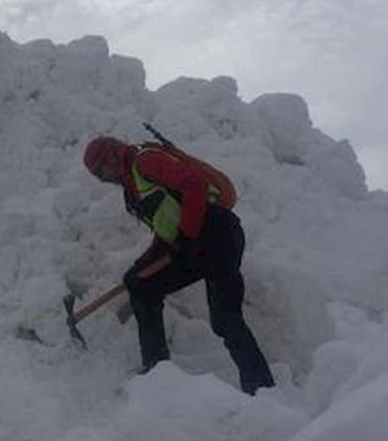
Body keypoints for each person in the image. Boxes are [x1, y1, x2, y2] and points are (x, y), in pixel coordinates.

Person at [82, 135, 275, 395]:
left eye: (99, 172)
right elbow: (166, 227)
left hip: (218, 236)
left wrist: (187, 234)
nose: (102, 180)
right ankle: (156, 372)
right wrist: (141, 265)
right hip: (193, 245)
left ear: (110, 157)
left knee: (226, 320)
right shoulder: (132, 187)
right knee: (143, 287)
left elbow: (194, 185)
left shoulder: (146, 162)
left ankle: (261, 388)